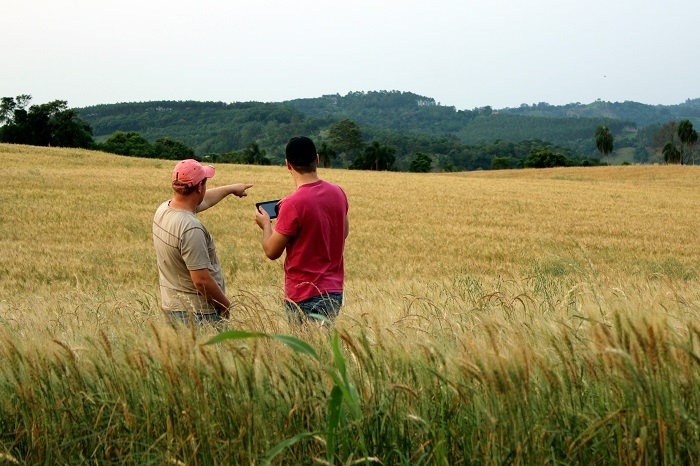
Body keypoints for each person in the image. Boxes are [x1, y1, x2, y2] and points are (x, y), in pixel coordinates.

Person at [255, 136, 349, 324]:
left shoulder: (293, 203)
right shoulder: (338, 192)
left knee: (303, 351)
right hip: (334, 292)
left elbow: (272, 251)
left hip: (304, 295)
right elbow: (343, 232)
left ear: (288, 165)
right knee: (323, 350)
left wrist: (266, 224)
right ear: (317, 159)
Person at [153, 159, 252, 326]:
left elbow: (202, 200)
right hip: (197, 315)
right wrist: (225, 305)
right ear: (199, 187)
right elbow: (201, 280)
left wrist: (231, 189)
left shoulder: (164, 209)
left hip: (173, 307)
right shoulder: (190, 228)